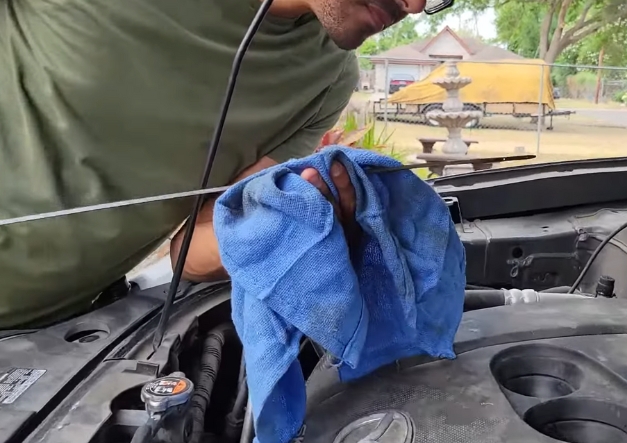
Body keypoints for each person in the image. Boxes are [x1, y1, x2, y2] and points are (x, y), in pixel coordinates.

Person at [0, 0, 425, 329]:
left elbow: (192, 254)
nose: (416, 5)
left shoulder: (328, 78)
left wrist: (292, 222)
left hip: (52, 333)